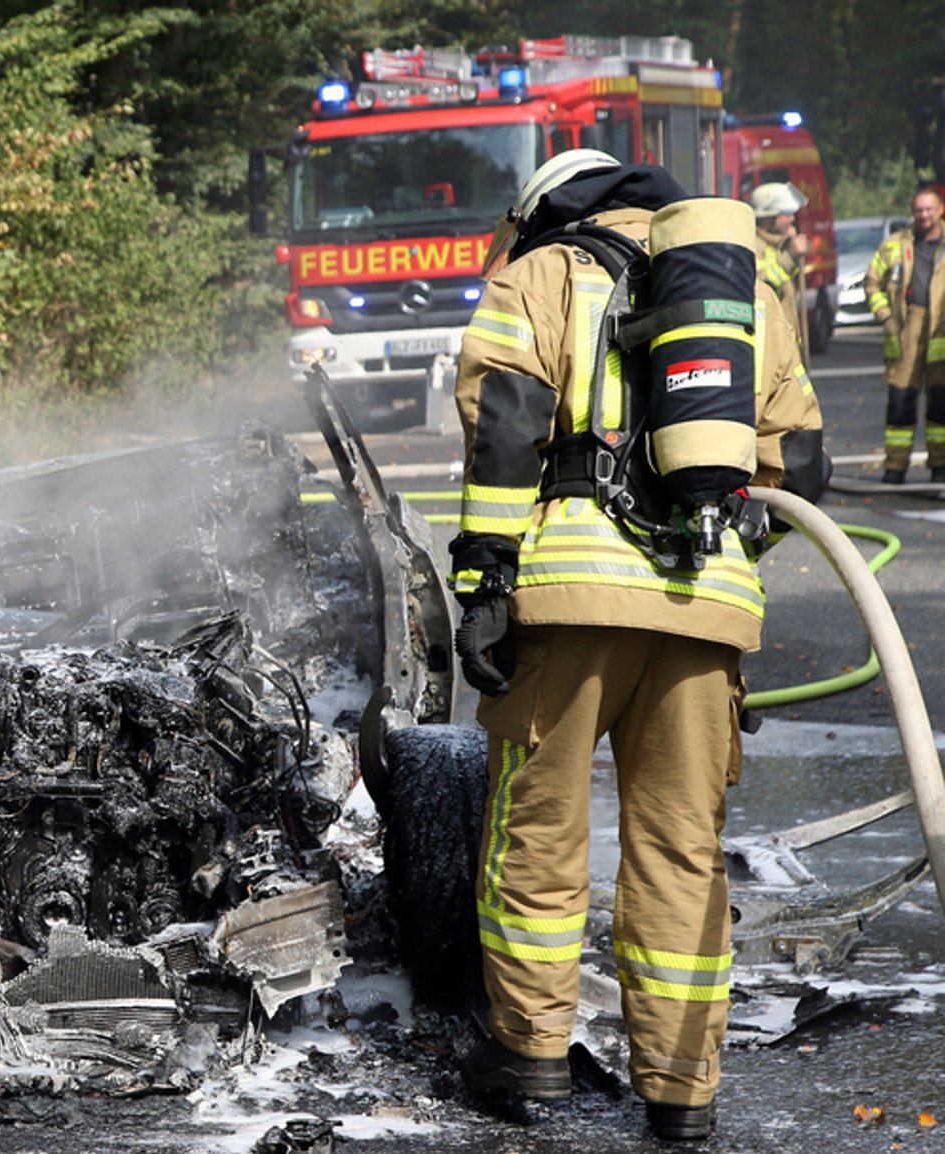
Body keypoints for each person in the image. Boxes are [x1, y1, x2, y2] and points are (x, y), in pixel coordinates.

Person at [448, 150, 831, 1141]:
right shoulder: (745, 286)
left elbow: (501, 427)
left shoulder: (539, 273)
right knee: (681, 849)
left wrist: (480, 578)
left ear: (542, 210)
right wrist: (719, 545)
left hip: (566, 602)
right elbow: (804, 465)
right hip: (703, 609)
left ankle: (530, 1057)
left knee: (536, 834)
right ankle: (679, 1089)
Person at [865, 187, 945, 483]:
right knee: (901, 401)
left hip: (941, 329)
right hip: (906, 330)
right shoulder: (895, 245)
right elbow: (871, 283)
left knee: (940, 403)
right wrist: (886, 318)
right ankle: (895, 468)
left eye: (929, 209)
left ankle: (940, 466)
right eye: (919, 210)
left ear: (940, 210)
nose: (923, 215)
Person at [747, 180, 808, 320]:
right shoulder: (753, 246)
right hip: (771, 338)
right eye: (786, 213)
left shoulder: (778, 247)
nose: (792, 219)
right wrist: (789, 258)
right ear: (768, 218)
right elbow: (761, 289)